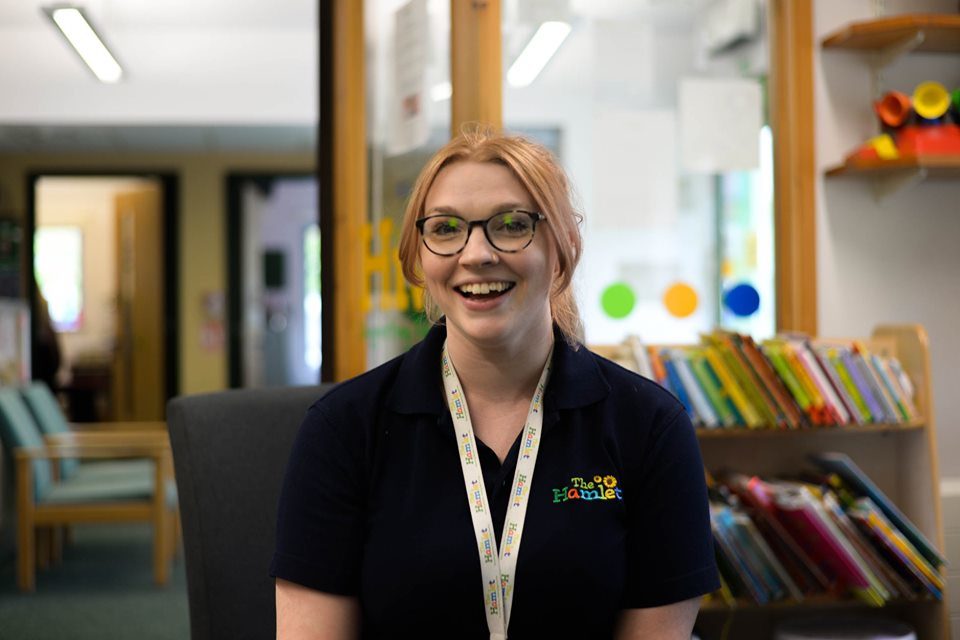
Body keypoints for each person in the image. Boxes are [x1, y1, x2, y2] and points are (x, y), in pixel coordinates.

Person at [271, 128, 719, 639]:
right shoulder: (344, 430)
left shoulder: (650, 428)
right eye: (445, 229)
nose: (476, 253)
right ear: (419, 256)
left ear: (563, 246)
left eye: (510, 225)